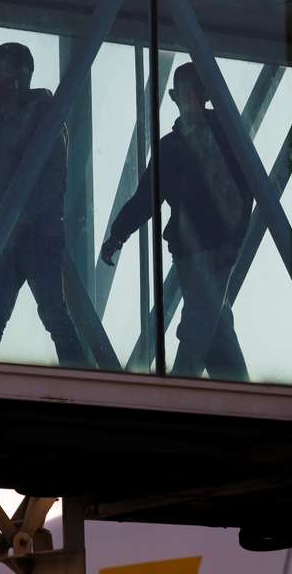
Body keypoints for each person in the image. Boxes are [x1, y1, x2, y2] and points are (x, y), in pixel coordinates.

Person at [99, 62, 252, 381]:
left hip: (208, 251)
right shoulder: (191, 143)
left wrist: (233, 241)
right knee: (214, 327)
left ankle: (184, 393)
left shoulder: (208, 140)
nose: (186, 98)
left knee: (199, 326)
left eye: (190, 91)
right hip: (198, 252)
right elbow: (147, 197)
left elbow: (243, 191)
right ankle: (240, 393)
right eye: (182, 93)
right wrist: (118, 234)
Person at [0, 42, 89, 368]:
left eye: (1, 71)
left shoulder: (45, 116)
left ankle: (81, 381)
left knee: (53, 313)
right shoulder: (3, 118)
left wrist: (22, 215)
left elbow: (54, 178)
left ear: (21, 75)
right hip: (9, 235)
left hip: (38, 234)